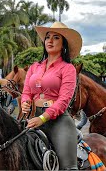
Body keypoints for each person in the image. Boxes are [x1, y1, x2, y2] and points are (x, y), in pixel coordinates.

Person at [21, 22, 82, 169]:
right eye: (48, 37)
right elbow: (26, 92)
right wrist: (25, 102)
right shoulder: (34, 67)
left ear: (64, 45)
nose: (50, 40)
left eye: (56, 38)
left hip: (58, 121)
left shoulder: (68, 69)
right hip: (32, 117)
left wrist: (42, 118)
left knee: (68, 168)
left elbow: (64, 101)